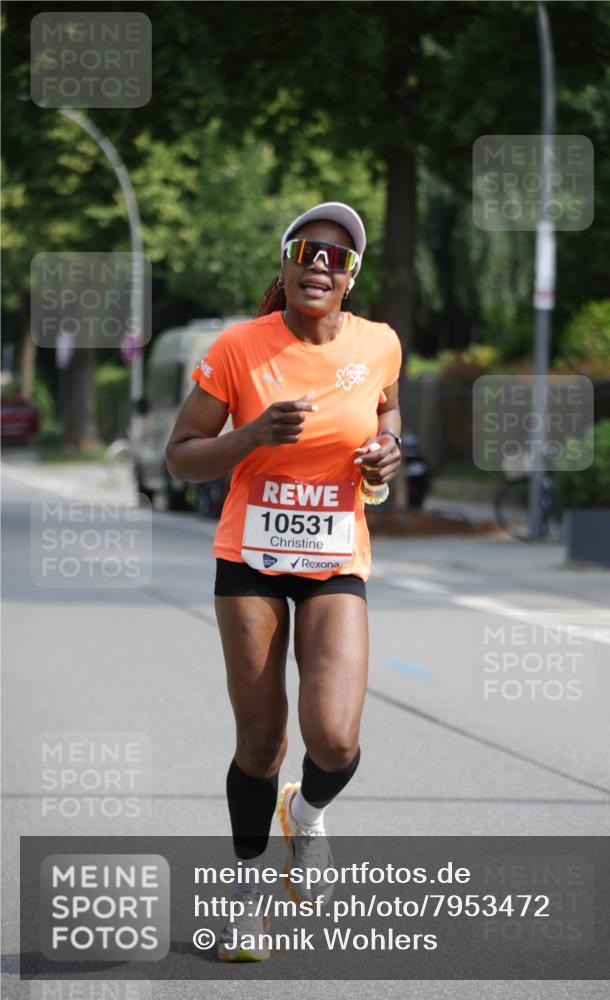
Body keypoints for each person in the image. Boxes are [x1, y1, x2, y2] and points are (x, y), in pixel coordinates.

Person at [165, 202, 402, 961]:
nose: (319, 265)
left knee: (332, 741)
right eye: (307, 251)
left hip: (334, 557)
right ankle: (244, 894)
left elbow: (386, 419)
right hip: (250, 561)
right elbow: (180, 454)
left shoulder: (380, 345)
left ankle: (306, 811)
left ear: (350, 276)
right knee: (261, 741)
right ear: (286, 263)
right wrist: (249, 436)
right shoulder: (239, 348)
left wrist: (385, 456)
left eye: (336, 258)